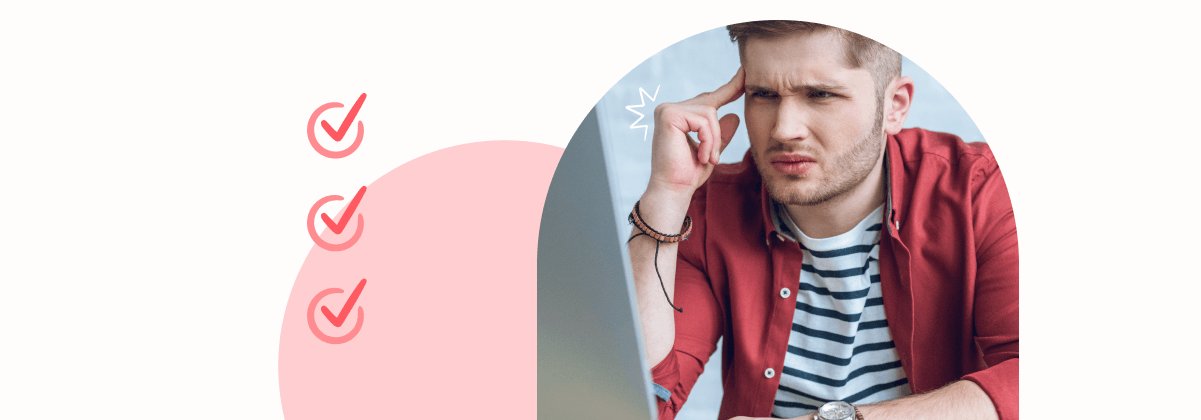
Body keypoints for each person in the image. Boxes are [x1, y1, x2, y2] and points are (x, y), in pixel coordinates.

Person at [626, 21, 1017, 420]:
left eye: (820, 95)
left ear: (895, 106)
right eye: (763, 94)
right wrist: (666, 196)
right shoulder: (709, 210)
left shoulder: (977, 188)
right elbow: (637, 401)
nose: (784, 129)